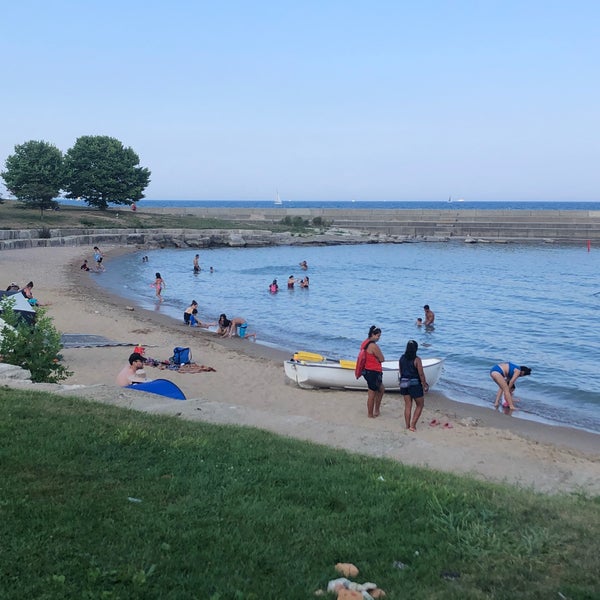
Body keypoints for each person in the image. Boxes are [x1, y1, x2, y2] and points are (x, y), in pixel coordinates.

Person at [399, 340, 429, 432]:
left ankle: (407, 425)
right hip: (414, 384)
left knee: (408, 405)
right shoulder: (417, 360)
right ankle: (413, 425)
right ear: (416, 349)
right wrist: (424, 384)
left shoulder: (402, 358)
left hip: (404, 383)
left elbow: (401, 371)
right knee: (420, 405)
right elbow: (421, 374)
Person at [360, 325, 385, 418]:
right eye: (378, 336)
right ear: (373, 335)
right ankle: (371, 413)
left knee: (381, 389)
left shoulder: (365, 343)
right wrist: (378, 359)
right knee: (372, 393)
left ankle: (376, 410)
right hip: (373, 372)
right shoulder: (373, 346)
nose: (379, 338)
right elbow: (382, 359)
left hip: (367, 370)